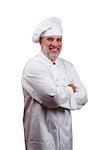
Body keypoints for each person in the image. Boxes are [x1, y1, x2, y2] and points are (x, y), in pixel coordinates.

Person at [21, 17, 88, 150]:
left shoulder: (67, 66)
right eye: (50, 39)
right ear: (41, 41)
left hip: (65, 136)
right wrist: (70, 89)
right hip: (42, 137)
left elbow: (84, 96)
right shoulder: (33, 67)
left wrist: (60, 94)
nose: (55, 44)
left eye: (59, 39)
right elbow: (52, 98)